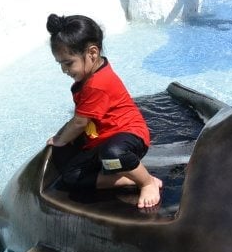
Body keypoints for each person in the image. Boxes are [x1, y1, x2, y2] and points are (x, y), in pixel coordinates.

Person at [45, 13, 162, 208]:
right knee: (72, 176)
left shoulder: (98, 83)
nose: (64, 70)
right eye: (61, 64)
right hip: (103, 143)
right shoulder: (90, 75)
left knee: (113, 154)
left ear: (92, 53)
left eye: (68, 63)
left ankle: (147, 182)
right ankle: (131, 179)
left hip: (129, 137)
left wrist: (61, 139)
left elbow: (80, 122)